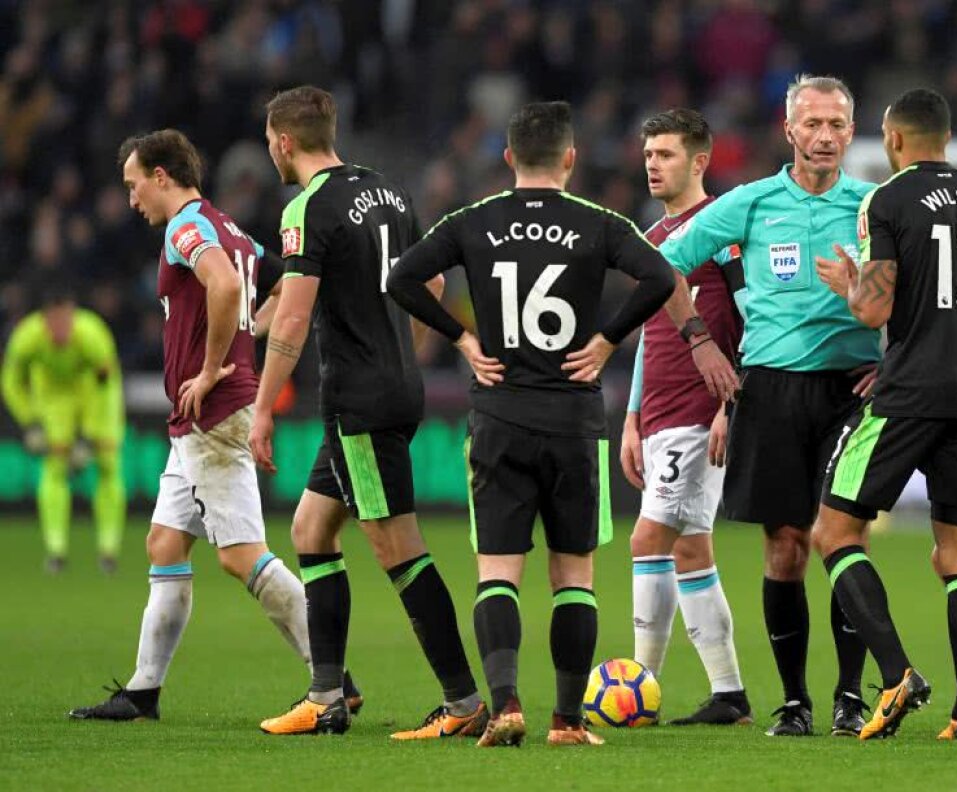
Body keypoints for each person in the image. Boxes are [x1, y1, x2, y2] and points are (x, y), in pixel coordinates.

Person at [388, 101, 736, 748]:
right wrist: (605, 342)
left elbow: (402, 277)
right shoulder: (597, 222)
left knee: (498, 571)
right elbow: (660, 276)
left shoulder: (473, 220)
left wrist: (463, 341)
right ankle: (569, 721)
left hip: (498, 412)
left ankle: (506, 705)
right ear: (571, 159)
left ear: (509, 157)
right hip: (574, 418)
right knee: (572, 574)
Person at [812, 88, 957, 740]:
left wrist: (854, 283)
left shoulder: (886, 199)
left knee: (833, 535)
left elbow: (873, 310)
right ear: (946, 140)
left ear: (893, 140)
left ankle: (895, 675)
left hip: (910, 395)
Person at [252, 86, 485, 739]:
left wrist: (264, 408)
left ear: (283, 142)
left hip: (358, 397)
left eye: (271, 141)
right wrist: (399, 356)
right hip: (391, 386)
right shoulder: (388, 192)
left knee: (397, 547)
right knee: (309, 530)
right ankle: (327, 695)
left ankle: (464, 703)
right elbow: (432, 285)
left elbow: (293, 316)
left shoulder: (306, 209)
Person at [657, 75, 879, 737]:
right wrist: (700, 343)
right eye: (812, 124)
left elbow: (925, 293)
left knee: (845, 539)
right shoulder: (751, 204)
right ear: (789, 131)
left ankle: (849, 698)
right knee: (784, 549)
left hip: (851, 390)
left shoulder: (874, 207)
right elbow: (660, 264)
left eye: (836, 125)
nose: (824, 136)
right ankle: (794, 702)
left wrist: (893, 362)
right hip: (773, 388)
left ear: (851, 131)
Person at [69, 129, 315, 721]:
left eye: (134, 186)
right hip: (197, 423)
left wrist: (210, 368)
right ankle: (144, 691)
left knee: (240, 556)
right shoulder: (230, 228)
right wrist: (248, 331)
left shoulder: (186, 228)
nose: (132, 201)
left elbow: (225, 284)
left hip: (213, 410)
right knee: (165, 542)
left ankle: (330, 675)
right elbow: (281, 281)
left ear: (161, 176)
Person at [619, 108, 750, 725]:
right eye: (649, 153)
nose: (653, 163)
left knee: (652, 539)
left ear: (699, 162)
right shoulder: (652, 240)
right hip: (662, 408)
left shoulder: (722, 230)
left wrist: (732, 402)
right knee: (692, 549)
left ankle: (640, 688)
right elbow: (651, 333)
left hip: (702, 407)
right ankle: (729, 694)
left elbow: (752, 319)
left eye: (666, 154)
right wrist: (632, 414)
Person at [2, 286, 125, 574]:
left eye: (66, 321)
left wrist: (87, 436)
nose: (61, 329)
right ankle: (56, 550)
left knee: (107, 465)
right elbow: (11, 382)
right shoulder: (26, 338)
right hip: (54, 395)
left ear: (74, 317)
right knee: (54, 466)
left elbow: (104, 387)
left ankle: (108, 550)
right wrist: (29, 422)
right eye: (54, 322)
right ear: (44, 321)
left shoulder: (93, 335)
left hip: (95, 395)